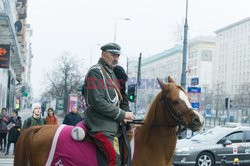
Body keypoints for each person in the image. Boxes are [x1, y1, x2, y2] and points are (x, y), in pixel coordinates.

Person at [83, 43, 135, 165]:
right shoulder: (96, 72)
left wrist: (126, 116)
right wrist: (122, 114)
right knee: (115, 160)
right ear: (103, 54)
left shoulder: (110, 73)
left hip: (112, 125)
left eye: (117, 55)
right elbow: (98, 102)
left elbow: (118, 100)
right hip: (101, 125)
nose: (116, 58)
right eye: (113, 55)